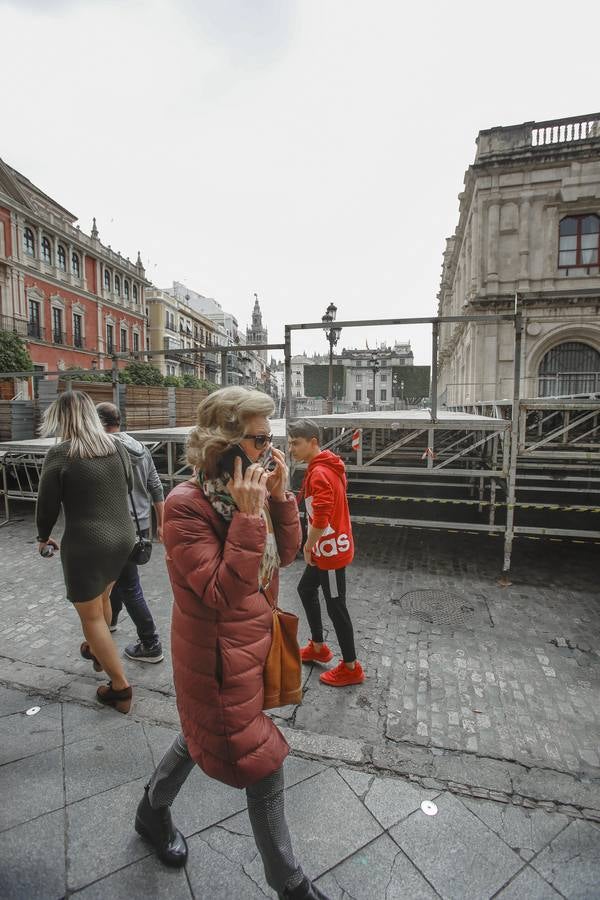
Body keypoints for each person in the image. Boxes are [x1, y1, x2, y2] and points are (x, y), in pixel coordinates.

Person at [134, 387, 329, 900]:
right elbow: (221, 590)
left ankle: (151, 811)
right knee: (261, 759)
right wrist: (247, 516)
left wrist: (281, 498)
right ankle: (291, 885)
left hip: (252, 644)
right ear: (225, 440)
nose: (269, 450)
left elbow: (286, 554)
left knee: (199, 735)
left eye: (273, 439)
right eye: (260, 439)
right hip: (215, 656)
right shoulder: (185, 507)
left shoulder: (252, 490)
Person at [35, 390, 134, 713]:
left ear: (60, 419)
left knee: (90, 615)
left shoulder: (61, 454)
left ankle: (119, 688)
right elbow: (129, 484)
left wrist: (43, 536)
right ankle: (96, 650)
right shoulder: (115, 446)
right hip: (122, 538)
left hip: (87, 544)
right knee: (103, 598)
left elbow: (47, 504)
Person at [288, 418, 364, 687]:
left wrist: (307, 545)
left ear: (313, 442)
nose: (291, 449)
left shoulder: (319, 472)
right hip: (326, 547)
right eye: (289, 443)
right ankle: (318, 646)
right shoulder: (326, 466)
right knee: (306, 590)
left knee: (336, 606)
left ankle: (351, 667)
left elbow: (321, 516)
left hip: (329, 552)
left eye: (296, 443)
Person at [96, 402, 164, 663]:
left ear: (99, 423)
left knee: (128, 583)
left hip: (117, 525)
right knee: (117, 576)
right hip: (141, 523)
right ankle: (111, 619)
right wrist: (161, 522)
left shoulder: (104, 449)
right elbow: (155, 486)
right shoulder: (139, 447)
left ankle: (150, 642)